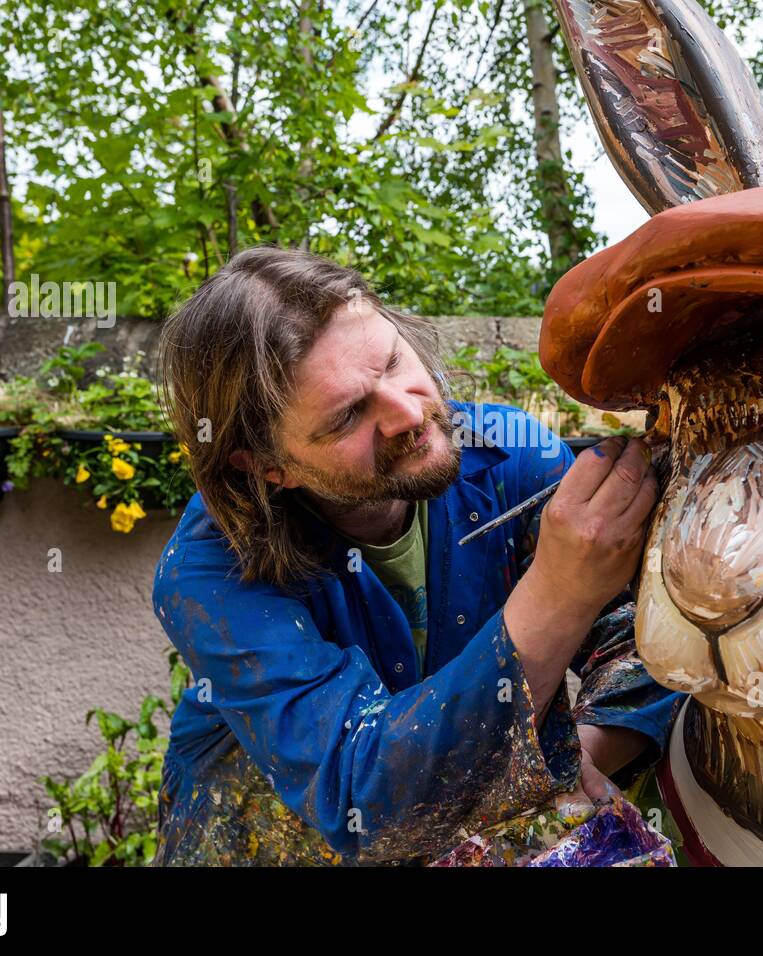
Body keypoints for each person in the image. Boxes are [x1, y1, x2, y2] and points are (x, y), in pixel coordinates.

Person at [150, 245, 682, 865]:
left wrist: (573, 757)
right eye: (348, 414)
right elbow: (361, 791)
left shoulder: (511, 457)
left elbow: (648, 634)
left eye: (393, 360)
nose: (409, 412)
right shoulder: (210, 570)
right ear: (267, 466)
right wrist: (560, 593)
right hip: (252, 836)